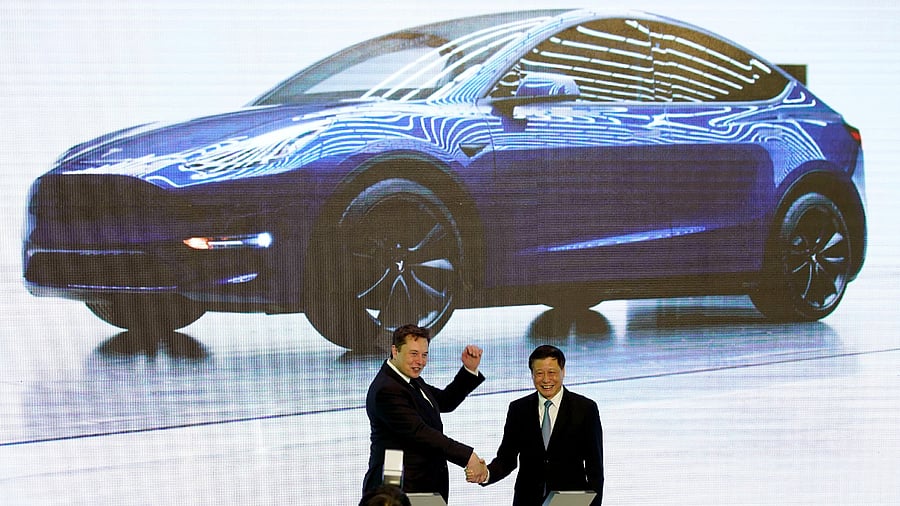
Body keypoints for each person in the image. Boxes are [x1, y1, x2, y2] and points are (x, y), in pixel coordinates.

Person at [363, 323, 488, 502]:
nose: (420, 361)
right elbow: (420, 432)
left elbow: (445, 401)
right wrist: (468, 457)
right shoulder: (388, 389)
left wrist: (469, 370)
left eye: (424, 355)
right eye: (414, 354)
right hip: (401, 486)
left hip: (422, 483)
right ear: (395, 351)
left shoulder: (406, 379)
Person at [471, 344, 603, 505]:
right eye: (539, 373)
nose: (546, 379)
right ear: (532, 375)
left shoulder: (585, 409)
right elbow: (507, 459)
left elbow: (595, 469)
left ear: (563, 371)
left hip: (570, 501)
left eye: (552, 373)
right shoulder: (518, 409)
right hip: (527, 500)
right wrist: (486, 473)